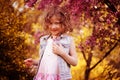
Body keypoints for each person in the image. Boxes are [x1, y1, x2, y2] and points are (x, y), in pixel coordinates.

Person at [24, 6, 78, 80]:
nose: (53, 26)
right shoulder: (44, 40)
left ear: (64, 23)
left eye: (57, 23)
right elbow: (45, 60)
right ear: (47, 24)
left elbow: (75, 62)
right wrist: (34, 62)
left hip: (60, 77)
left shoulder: (69, 40)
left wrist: (63, 53)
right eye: (51, 23)